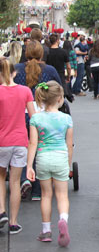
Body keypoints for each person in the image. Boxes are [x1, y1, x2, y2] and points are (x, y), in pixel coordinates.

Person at [14, 41, 63, 201]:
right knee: (41, 148)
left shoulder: (17, 69)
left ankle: (23, 178)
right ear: (42, 53)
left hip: (21, 114)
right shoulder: (49, 70)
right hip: (43, 115)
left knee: (23, 148)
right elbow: (58, 88)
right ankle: (37, 190)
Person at [26, 81, 73, 246]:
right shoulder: (66, 119)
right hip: (60, 157)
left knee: (46, 195)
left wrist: (29, 166)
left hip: (43, 157)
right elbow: (69, 145)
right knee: (62, 195)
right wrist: (68, 165)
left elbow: (32, 143)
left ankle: (46, 230)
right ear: (60, 98)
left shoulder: (36, 118)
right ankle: (63, 220)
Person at [0, 59, 36, 235]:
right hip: (20, 141)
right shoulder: (25, 91)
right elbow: (34, 118)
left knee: (1, 178)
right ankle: (14, 222)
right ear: (14, 73)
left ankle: (1, 212)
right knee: (15, 182)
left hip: (1, 142)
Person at [45, 34, 72, 101]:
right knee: (61, 93)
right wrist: (68, 76)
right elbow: (68, 66)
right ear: (57, 41)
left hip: (49, 76)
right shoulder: (63, 52)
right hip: (60, 75)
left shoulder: (47, 52)